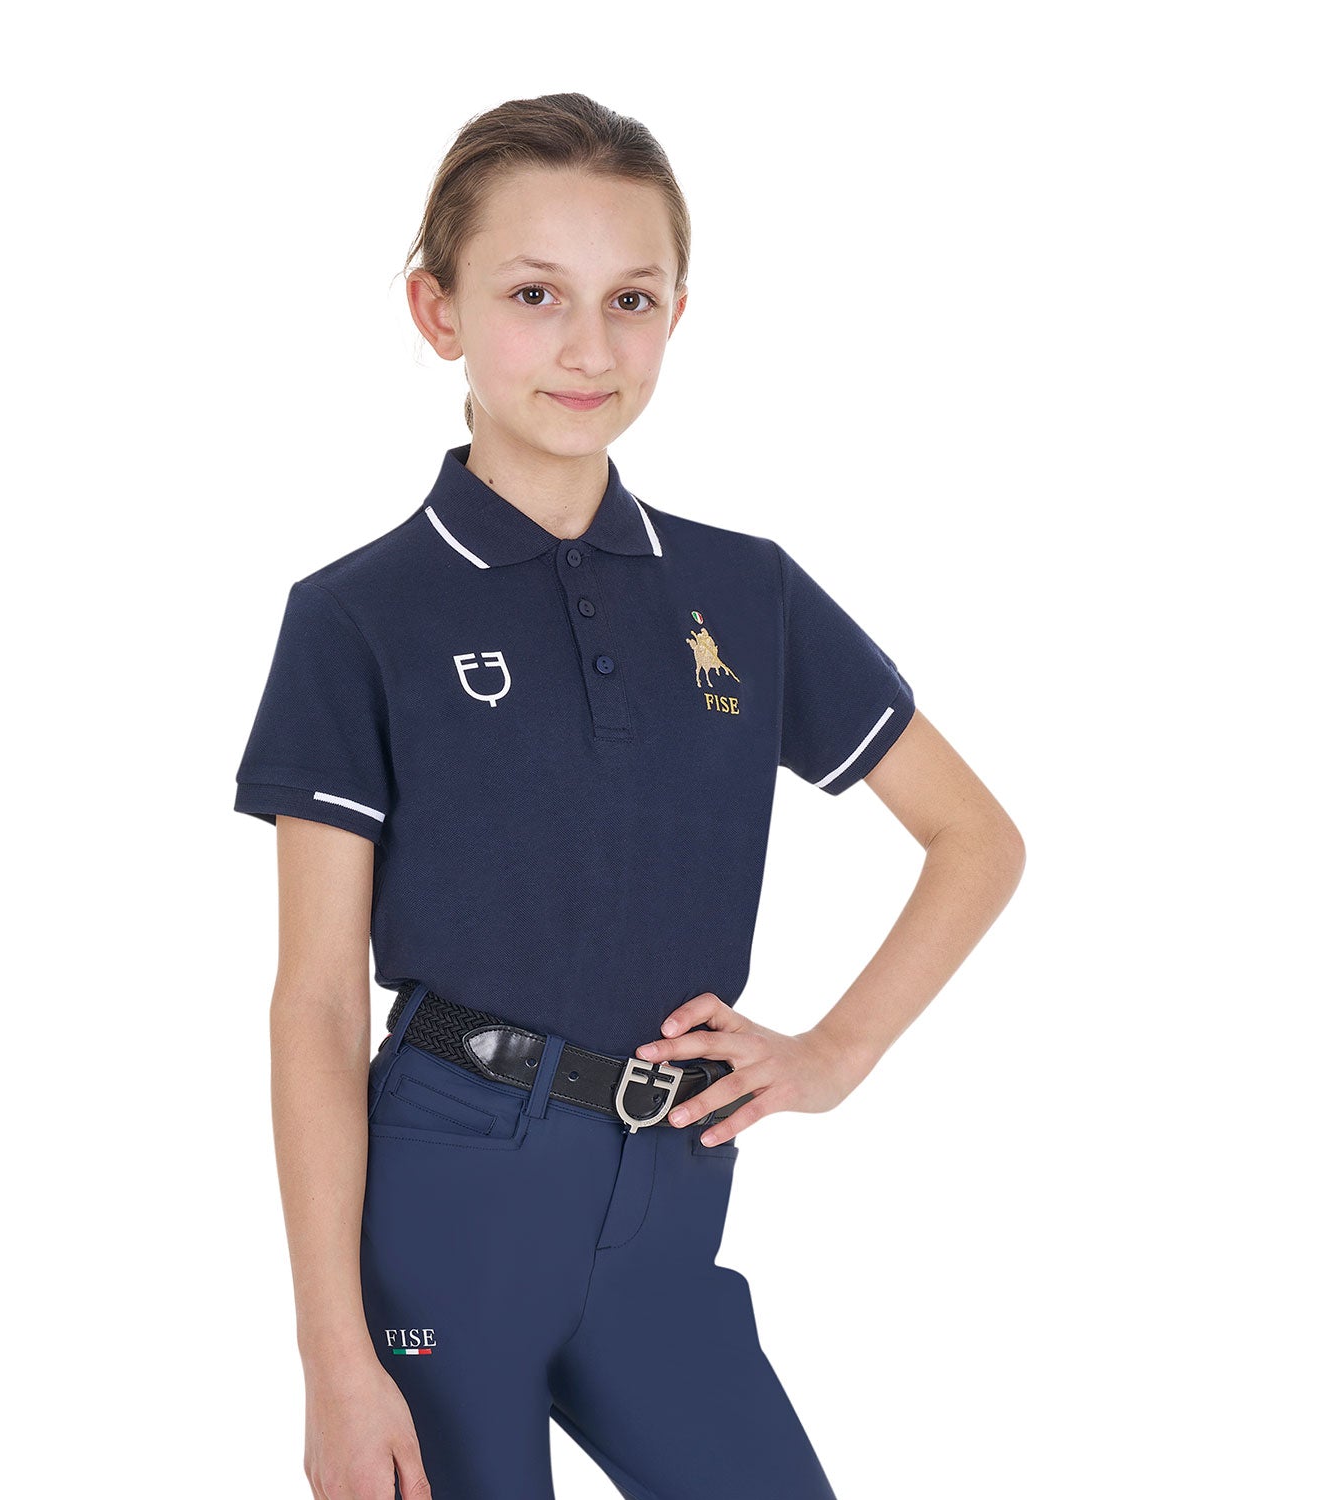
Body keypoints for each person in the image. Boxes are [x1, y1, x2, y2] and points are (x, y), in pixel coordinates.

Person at [233, 91, 1024, 1500]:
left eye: (632, 299)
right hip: (449, 1198)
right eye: (534, 294)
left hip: (669, 1197)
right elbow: (317, 1001)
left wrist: (836, 1054)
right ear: (437, 310)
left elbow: (974, 838)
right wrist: (334, 1359)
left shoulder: (745, 592)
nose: (590, 347)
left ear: (676, 314)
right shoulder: (359, 617)